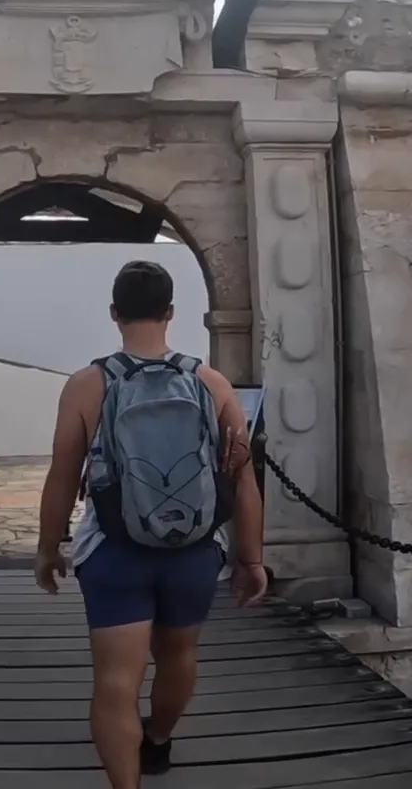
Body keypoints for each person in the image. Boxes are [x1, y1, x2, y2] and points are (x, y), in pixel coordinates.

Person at [34, 259, 268, 788]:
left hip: (115, 552)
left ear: (115, 314)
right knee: (179, 655)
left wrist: (49, 548)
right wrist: (251, 558)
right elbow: (244, 479)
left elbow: (62, 476)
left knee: (116, 681)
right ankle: (159, 739)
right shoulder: (211, 383)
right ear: (170, 312)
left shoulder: (87, 385)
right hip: (193, 551)